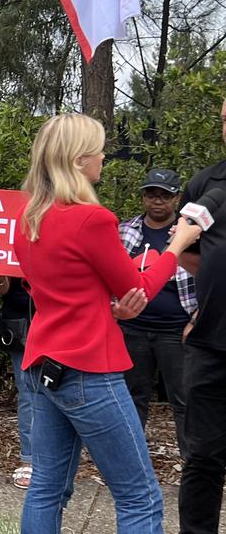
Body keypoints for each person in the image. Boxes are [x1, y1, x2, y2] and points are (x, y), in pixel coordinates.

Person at [13, 112, 200, 533]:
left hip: (44, 362)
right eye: (98, 149)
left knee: (46, 487)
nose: (103, 157)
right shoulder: (92, 219)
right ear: (79, 160)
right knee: (140, 497)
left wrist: (107, 303)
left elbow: (50, 287)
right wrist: (178, 245)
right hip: (88, 368)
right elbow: (136, 288)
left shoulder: (28, 218)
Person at [119, 168, 195, 458]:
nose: (157, 201)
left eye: (165, 195)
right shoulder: (125, 230)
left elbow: (208, 277)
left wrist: (197, 318)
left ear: (176, 199)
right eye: (151, 194)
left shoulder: (189, 233)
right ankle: (129, 458)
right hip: (133, 326)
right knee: (132, 395)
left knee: (184, 398)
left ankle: (193, 462)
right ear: (143, 197)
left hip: (177, 328)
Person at [178, 96, 226, 534]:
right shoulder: (205, 183)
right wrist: (203, 307)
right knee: (203, 458)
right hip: (211, 345)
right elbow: (187, 253)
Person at [0, 275, 34, 489]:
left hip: (64, 315)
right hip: (22, 320)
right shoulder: (12, 240)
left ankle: (58, 460)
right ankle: (31, 458)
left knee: (66, 390)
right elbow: (3, 287)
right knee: (28, 391)